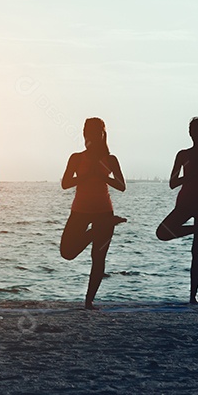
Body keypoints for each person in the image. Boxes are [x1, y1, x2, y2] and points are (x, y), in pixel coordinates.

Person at [156, 117, 198, 304]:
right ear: (190, 134)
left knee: (197, 253)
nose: (197, 135)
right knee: (162, 232)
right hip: (185, 203)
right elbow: (172, 183)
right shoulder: (182, 155)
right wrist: (189, 178)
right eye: (194, 132)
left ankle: (192, 296)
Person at [60, 117, 126, 310]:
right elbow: (65, 183)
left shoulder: (110, 159)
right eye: (87, 133)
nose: (89, 137)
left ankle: (89, 302)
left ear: (101, 135)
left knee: (98, 258)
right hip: (80, 210)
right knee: (67, 251)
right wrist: (87, 176)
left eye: (94, 134)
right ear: (84, 135)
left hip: (104, 210)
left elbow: (122, 186)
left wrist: (102, 176)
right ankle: (101, 229)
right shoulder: (77, 158)